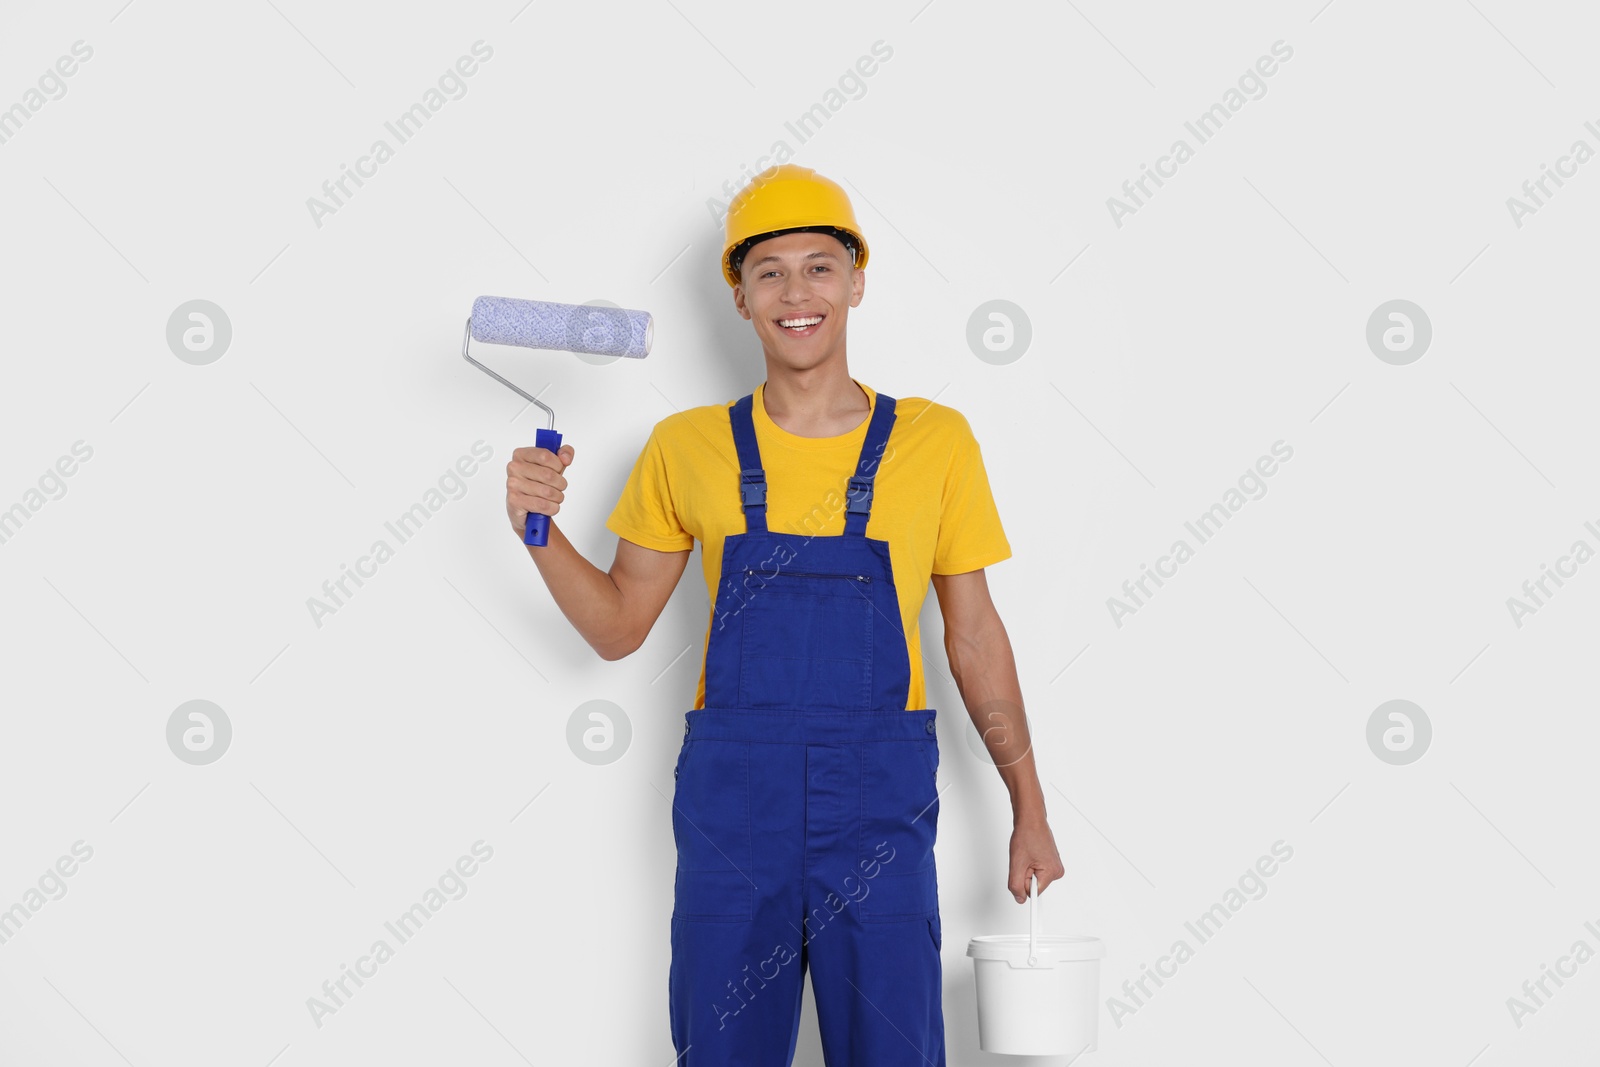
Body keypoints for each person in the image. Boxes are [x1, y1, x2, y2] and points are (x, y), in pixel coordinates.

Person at [504, 163, 1065, 1066]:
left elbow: (975, 637)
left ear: (856, 282)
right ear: (739, 297)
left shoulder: (936, 441)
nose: (796, 292)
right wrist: (538, 532)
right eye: (769, 271)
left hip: (878, 819)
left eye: (818, 266)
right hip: (735, 821)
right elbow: (616, 629)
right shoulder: (686, 446)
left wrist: (1028, 805)